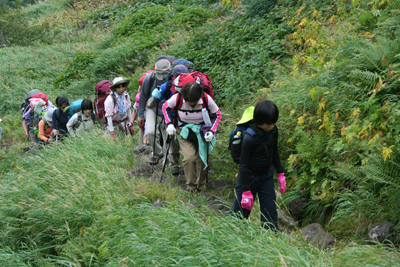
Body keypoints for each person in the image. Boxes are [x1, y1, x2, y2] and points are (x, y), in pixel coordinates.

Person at [230, 100, 286, 231]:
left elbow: (274, 151)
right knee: (241, 213)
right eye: (269, 123)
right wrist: (246, 191)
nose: (272, 125)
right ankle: (228, 234)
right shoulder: (249, 137)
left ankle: (271, 240)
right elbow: (243, 165)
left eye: (274, 122)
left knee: (270, 213)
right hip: (249, 176)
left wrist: (280, 173)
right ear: (260, 121)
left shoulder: (273, 130)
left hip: (266, 176)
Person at [162, 82, 222, 192]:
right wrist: (169, 123)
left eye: (193, 101)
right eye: (189, 101)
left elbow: (218, 115)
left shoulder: (206, 99)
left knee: (201, 158)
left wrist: (212, 131)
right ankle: (191, 186)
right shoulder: (177, 98)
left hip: (201, 131)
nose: (191, 104)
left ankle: (201, 186)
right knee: (189, 158)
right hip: (183, 131)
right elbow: (165, 107)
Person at [152, 64, 189, 175]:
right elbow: (153, 104)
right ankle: (175, 166)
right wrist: (155, 97)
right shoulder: (167, 86)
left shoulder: (191, 86)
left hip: (183, 119)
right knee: (172, 144)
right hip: (174, 119)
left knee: (176, 144)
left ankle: (179, 165)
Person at [138, 58, 172, 165]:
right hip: (152, 107)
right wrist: (140, 114)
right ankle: (157, 153)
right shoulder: (149, 78)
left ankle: (168, 158)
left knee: (167, 134)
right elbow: (143, 96)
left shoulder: (173, 78)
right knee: (150, 132)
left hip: (167, 108)